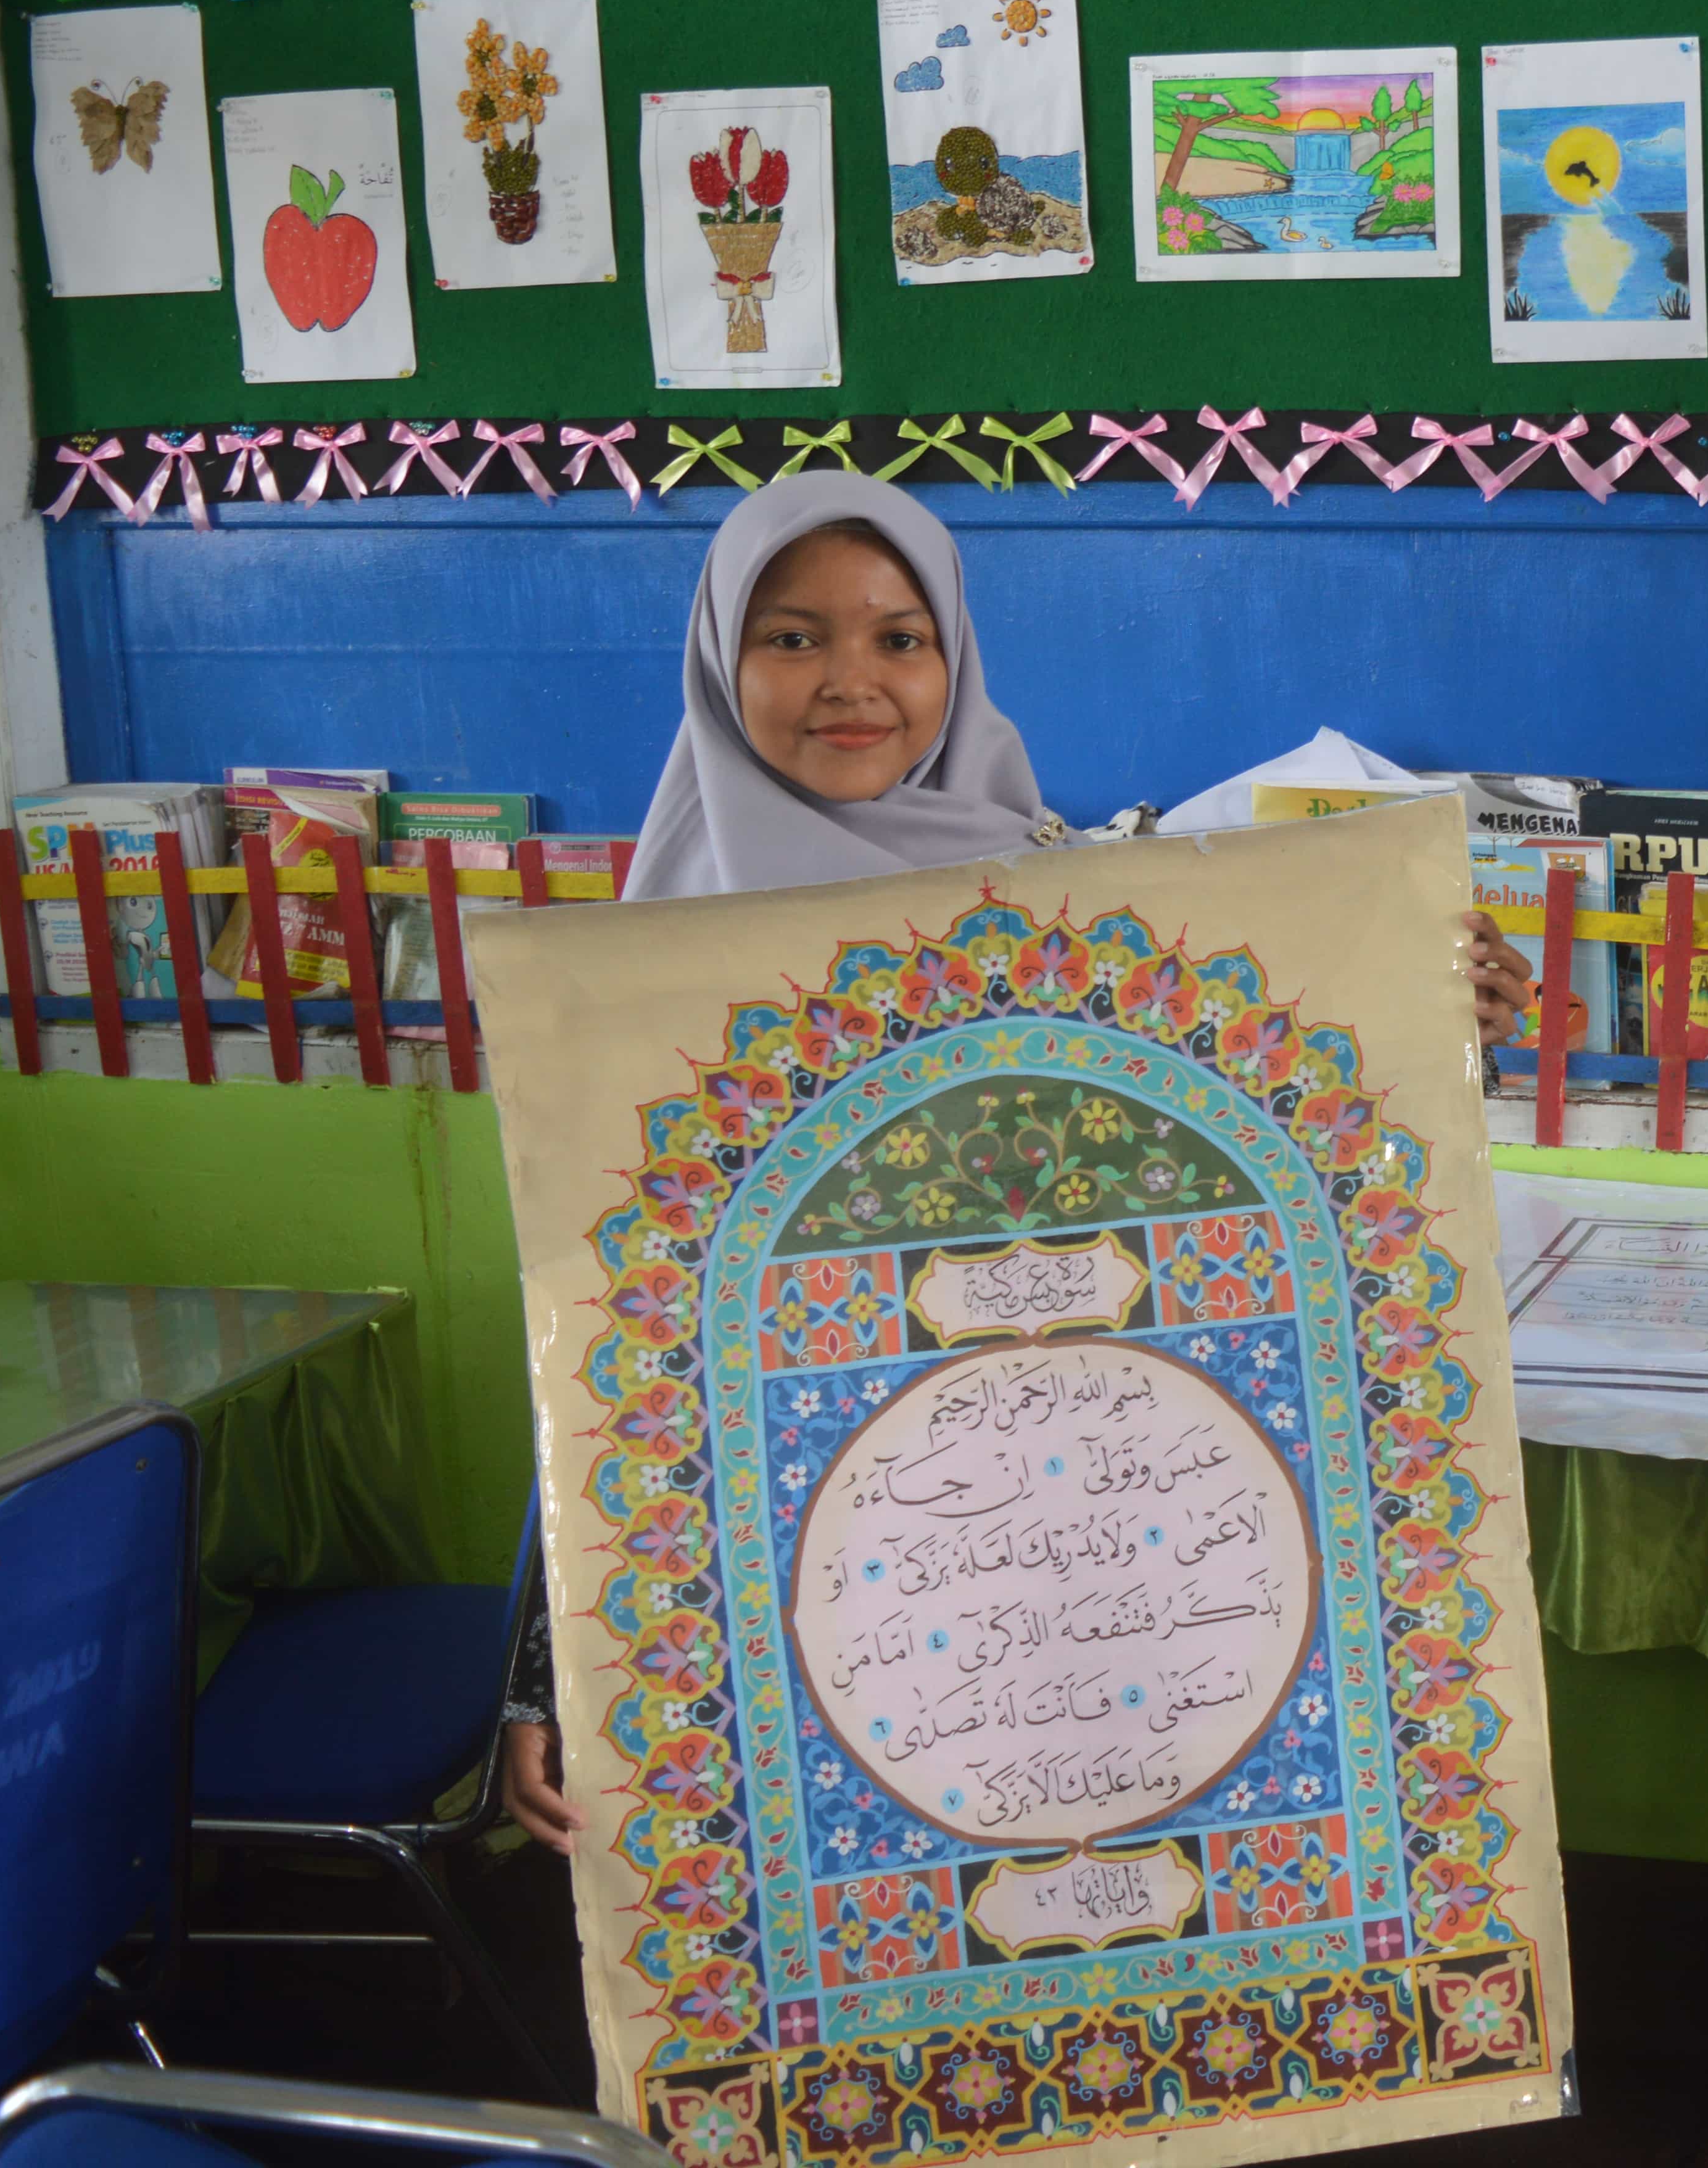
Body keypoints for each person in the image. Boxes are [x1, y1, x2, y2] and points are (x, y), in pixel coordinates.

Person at [498, 476, 1533, 1852]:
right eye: (792, 637)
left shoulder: (1058, 908)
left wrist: (1428, 1014)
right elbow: (607, 1342)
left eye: (900, 638)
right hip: (793, 1569)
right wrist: (551, 1669)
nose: (850, 681)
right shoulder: (641, 982)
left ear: (955, 660)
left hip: (1092, 1558)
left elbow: (1239, 1161)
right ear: (717, 661)